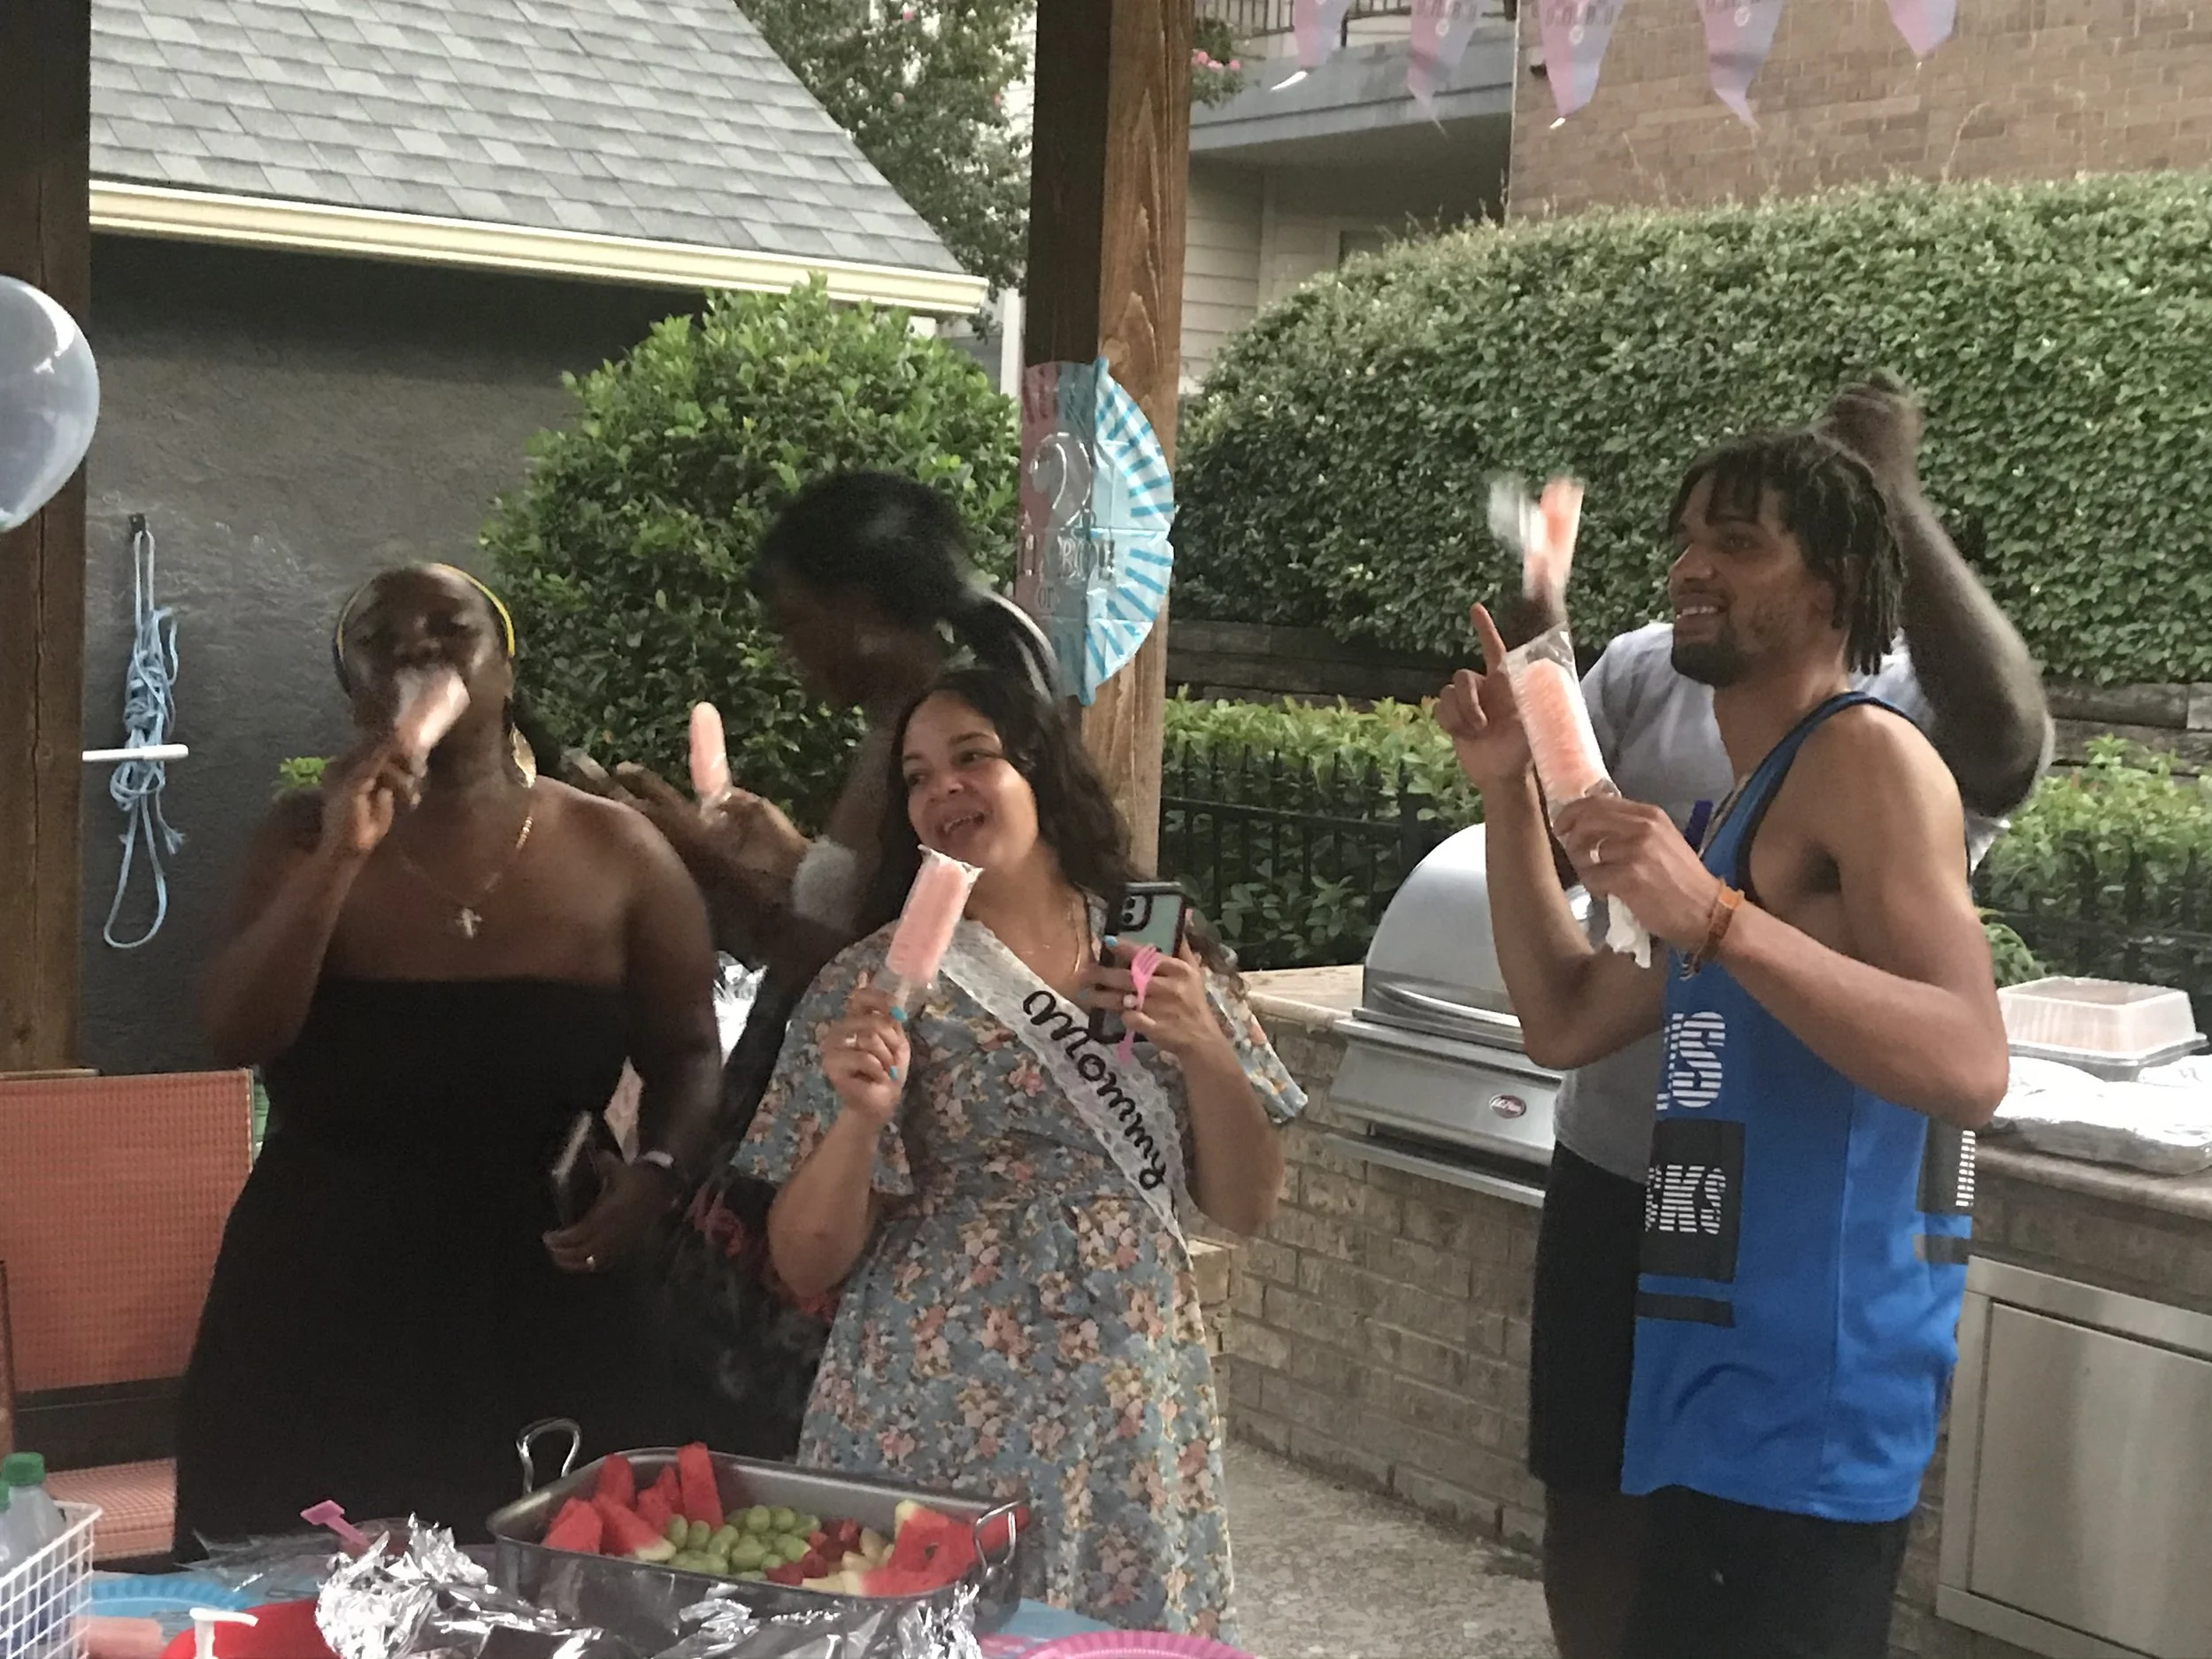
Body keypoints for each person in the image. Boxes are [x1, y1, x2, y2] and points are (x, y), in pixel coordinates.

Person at [1441, 426, 2013, 1659]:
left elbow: (1972, 1060)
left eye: (1738, 543)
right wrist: (1503, 787)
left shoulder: (1869, 756)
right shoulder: (1757, 804)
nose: (1692, 565)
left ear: (1832, 592)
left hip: (1812, 1388)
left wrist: (1712, 915)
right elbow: (1568, 1017)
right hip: (1710, 1368)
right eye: (1686, 539)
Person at [732, 668, 1302, 1638]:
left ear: (1037, 769)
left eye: (972, 758)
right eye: (916, 777)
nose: (943, 790)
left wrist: (1205, 1046)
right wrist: (861, 1117)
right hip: (932, 1399)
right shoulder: (871, 984)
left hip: (1129, 1400)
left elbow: (1245, 1205)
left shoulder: (1154, 939)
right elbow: (802, 1261)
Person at [174, 564, 722, 1552]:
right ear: (353, 690)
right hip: (327, 1272)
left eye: (449, 628)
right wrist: (342, 856)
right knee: (303, 1580)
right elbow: (238, 1034)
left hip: (550, 1273)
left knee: (574, 1579)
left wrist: (657, 1174)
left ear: (505, 671)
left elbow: (687, 1050)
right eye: (382, 638)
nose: (417, 648)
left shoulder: (617, 850)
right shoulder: (300, 836)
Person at [617, 471, 1058, 1459]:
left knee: (766, 1412)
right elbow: (853, 901)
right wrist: (769, 848)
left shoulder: (927, 743)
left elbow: (870, 967)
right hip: (814, 1089)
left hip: (853, 1098)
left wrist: (677, 851)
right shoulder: (897, 730)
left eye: (793, 621)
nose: (787, 650)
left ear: (858, 612)